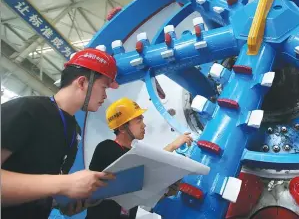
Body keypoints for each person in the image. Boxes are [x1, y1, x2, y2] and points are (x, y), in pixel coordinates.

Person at [1, 48, 120, 219]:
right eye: (104, 87)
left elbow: (42, 187)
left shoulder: (73, 131)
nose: (105, 95)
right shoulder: (27, 110)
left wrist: (64, 201)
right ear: (82, 83)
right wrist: (64, 183)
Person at [86, 97, 194, 219]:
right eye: (138, 121)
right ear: (122, 128)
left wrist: (166, 192)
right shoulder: (106, 148)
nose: (144, 125)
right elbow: (141, 170)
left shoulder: (133, 154)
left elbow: (140, 195)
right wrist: (172, 146)